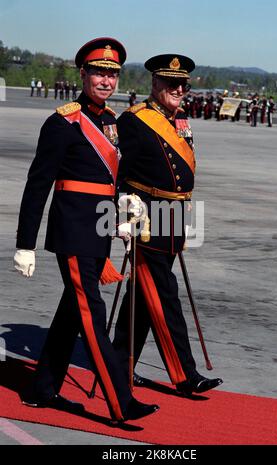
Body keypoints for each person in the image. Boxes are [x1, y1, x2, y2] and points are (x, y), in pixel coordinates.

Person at [13, 37, 159, 423]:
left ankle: (41, 388)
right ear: (83, 73)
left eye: (112, 74)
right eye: (99, 72)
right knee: (92, 314)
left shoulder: (111, 121)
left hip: (98, 229)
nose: (106, 80)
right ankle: (121, 400)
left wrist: (126, 209)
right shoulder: (63, 122)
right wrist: (24, 244)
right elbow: (38, 183)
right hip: (73, 231)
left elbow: (115, 179)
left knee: (71, 314)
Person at [112, 54, 223, 396]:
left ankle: (120, 365)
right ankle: (185, 375)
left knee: (143, 296)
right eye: (171, 83)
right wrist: (122, 212)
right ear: (154, 84)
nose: (178, 89)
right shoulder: (134, 120)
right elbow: (116, 169)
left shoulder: (180, 120)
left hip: (173, 214)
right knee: (164, 294)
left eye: (183, 85)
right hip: (146, 215)